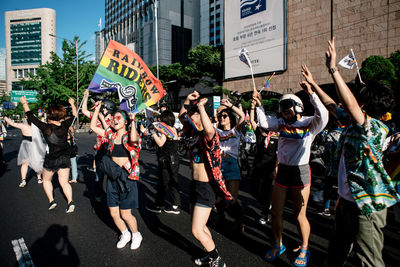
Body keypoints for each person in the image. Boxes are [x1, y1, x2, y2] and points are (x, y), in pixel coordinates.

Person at [325, 37, 400, 266]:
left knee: (368, 260)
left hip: (368, 204)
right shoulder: (357, 124)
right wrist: (312, 87)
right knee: (337, 250)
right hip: (348, 200)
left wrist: (333, 70)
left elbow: (349, 106)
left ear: (368, 104)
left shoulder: (376, 128)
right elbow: (333, 106)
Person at [254, 77, 328, 266]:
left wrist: (311, 93)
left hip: (301, 172)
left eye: (289, 107)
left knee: (299, 215)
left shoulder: (310, 124)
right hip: (283, 172)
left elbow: (324, 115)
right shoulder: (280, 123)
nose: (285, 111)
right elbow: (264, 123)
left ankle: (304, 248)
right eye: (283, 108)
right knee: (276, 212)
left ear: (298, 107)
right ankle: (278, 244)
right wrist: (258, 105)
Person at [179, 91, 232, 267]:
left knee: (196, 230)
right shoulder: (193, 134)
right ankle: (210, 255)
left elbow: (209, 130)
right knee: (200, 227)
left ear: (203, 116)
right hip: (195, 185)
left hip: (206, 187)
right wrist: (187, 100)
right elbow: (181, 117)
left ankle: (217, 260)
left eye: (194, 114)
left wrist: (200, 107)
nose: (190, 116)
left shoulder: (210, 136)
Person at [90, 102, 143, 250]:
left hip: (127, 178)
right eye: (113, 117)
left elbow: (134, 140)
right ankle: (125, 233)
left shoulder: (130, 135)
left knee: (125, 213)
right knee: (113, 212)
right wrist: (98, 110)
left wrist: (133, 120)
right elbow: (94, 127)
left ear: (125, 121)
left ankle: (136, 234)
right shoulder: (111, 135)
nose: (115, 119)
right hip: (113, 176)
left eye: (118, 117)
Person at [20, 96, 77, 213]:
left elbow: (31, 117)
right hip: (65, 157)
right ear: (61, 115)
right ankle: (70, 202)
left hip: (51, 158)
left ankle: (52, 201)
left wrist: (25, 103)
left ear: (49, 116)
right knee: (64, 182)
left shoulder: (45, 127)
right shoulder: (65, 125)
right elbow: (75, 115)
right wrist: (72, 104)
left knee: (46, 180)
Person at [214, 98, 245, 232]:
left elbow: (243, 116)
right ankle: (221, 216)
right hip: (219, 166)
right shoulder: (216, 131)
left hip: (232, 165)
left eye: (225, 116)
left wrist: (230, 105)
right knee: (218, 199)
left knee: (232, 198)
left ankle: (239, 221)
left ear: (230, 118)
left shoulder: (235, 131)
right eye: (220, 116)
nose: (222, 117)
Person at [81, 89, 115, 201]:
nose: (101, 109)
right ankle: (98, 195)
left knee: (111, 176)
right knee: (98, 176)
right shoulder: (97, 116)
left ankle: (112, 197)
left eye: (103, 108)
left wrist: (101, 117)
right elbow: (85, 111)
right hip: (99, 150)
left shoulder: (114, 120)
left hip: (111, 151)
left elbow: (110, 132)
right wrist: (85, 97)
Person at [146, 110, 181, 214]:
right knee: (173, 182)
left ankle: (158, 205)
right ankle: (175, 205)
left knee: (162, 183)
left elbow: (160, 143)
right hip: (175, 159)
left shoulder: (166, 131)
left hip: (166, 160)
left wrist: (153, 133)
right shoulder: (173, 129)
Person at [249, 100, 279, 224]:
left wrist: (275, 169)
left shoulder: (278, 136)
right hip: (257, 165)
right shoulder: (260, 133)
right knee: (254, 189)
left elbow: (279, 154)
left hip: (270, 167)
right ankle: (266, 204)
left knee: (267, 190)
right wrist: (252, 107)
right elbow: (252, 121)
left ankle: (265, 213)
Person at [5, 116, 46, 187]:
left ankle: (23, 180)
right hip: (35, 145)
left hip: (25, 145)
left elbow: (11, 123)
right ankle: (39, 178)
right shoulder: (37, 126)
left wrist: (5, 117)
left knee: (24, 163)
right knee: (37, 161)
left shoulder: (23, 126)